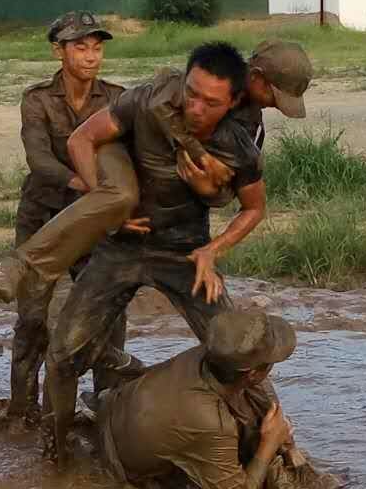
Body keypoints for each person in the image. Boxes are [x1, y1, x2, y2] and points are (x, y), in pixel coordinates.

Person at [42, 42, 268, 464]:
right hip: (120, 247)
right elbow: (82, 140)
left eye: (210, 102)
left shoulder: (239, 146)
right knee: (62, 355)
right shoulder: (146, 102)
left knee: (238, 351)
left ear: (233, 101)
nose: (196, 107)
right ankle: (54, 454)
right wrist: (107, 205)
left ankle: (269, 449)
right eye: (192, 93)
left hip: (185, 251)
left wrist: (212, 251)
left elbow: (254, 208)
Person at [0, 39, 314, 302]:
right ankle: (18, 265)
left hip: (172, 223)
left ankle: (116, 375)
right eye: (274, 95)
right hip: (119, 157)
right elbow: (98, 133)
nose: (275, 105)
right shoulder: (197, 81)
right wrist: (105, 200)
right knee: (120, 195)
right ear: (256, 78)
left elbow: (236, 192)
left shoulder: (248, 127)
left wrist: (210, 194)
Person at [8, 11, 130, 421]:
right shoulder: (37, 99)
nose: (91, 57)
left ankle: (108, 405)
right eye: (80, 47)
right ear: (58, 51)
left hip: (95, 226)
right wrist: (91, 186)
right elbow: (39, 159)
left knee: (108, 313)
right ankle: (22, 410)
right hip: (43, 219)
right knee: (31, 319)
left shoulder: (117, 98)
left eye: (97, 48)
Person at [97, 310, 298, 489]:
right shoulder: (210, 421)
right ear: (252, 374)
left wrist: (288, 445)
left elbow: (259, 391)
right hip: (115, 457)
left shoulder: (213, 353)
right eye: (270, 363)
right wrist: (269, 444)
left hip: (116, 405)